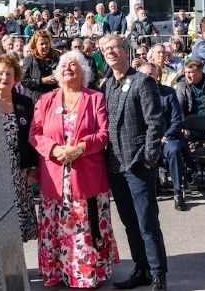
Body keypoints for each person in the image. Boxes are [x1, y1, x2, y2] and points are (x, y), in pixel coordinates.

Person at [31, 50, 118, 288]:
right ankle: (57, 272)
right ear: (57, 73)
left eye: (74, 65)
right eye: (64, 65)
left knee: (84, 226)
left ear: (84, 72)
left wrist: (79, 148)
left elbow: (103, 134)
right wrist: (54, 149)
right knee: (56, 227)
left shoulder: (95, 98)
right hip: (55, 176)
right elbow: (35, 133)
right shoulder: (45, 100)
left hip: (87, 174)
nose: (68, 67)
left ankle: (87, 274)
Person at [99, 34, 167, 290]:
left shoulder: (142, 81)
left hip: (138, 165)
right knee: (129, 223)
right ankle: (142, 269)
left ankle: (158, 273)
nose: (111, 51)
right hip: (115, 166)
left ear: (127, 51)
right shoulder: (106, 86)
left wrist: (149, 159)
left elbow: (155, 123)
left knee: (147, 222)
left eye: (116, 46)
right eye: (106, 48)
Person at [0, 54, 38, 243]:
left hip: (19, 172)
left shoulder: (25, 103)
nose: (5, 78)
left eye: (9, 74)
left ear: (16, 78)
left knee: (18, 220)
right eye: (1, 73)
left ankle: (17, 270)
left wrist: (33, 168)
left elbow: (33, 137)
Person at [136, 62, 186, 212]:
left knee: (174, 150)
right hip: (145, 139)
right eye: (145, 74)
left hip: (167, 138)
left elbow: (177, 120)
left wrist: (164, 138)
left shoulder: (169, 93)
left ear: (158, 76)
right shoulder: (135, 95)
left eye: (151, 74)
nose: (148, 77)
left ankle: (178, 192)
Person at [22, 31, 61, 102]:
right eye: (41, 44)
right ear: (35, 45)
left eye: (47, 43)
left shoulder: (57, 57)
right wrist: (42, 81)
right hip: (35, 99)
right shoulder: (29, 59)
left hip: (54, 98)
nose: (45, 46)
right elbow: (24, 80)